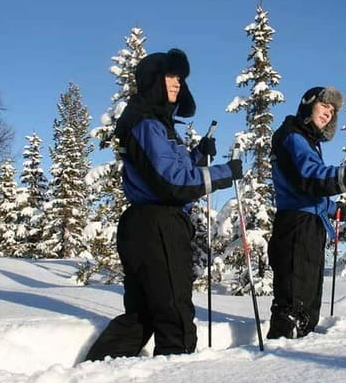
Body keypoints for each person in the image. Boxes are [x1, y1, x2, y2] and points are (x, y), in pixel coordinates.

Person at [85, 48, 242, 360]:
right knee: (174, 315)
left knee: (142, 314)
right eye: (170, 75)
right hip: (158, 225)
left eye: (180, 78)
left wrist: (198, 154)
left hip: (146, 224)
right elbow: (172, 183)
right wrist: (225, 173)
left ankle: (96, 373)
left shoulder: (155, 123)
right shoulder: (147, 123)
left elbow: (168, 170)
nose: (177, 83)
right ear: (153, 79)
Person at [267, 86, 346, 339]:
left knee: (307, 305)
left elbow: (308, 189)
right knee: (294, 304)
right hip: (296, 225)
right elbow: (310, 178)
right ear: (308, 104)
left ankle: (298, 349)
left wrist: (332, 207)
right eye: (324, 106)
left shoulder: (307, 141)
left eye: (332, 111)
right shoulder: (293, 136)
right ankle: (279, 355)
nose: (329, 113)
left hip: (309, 223)